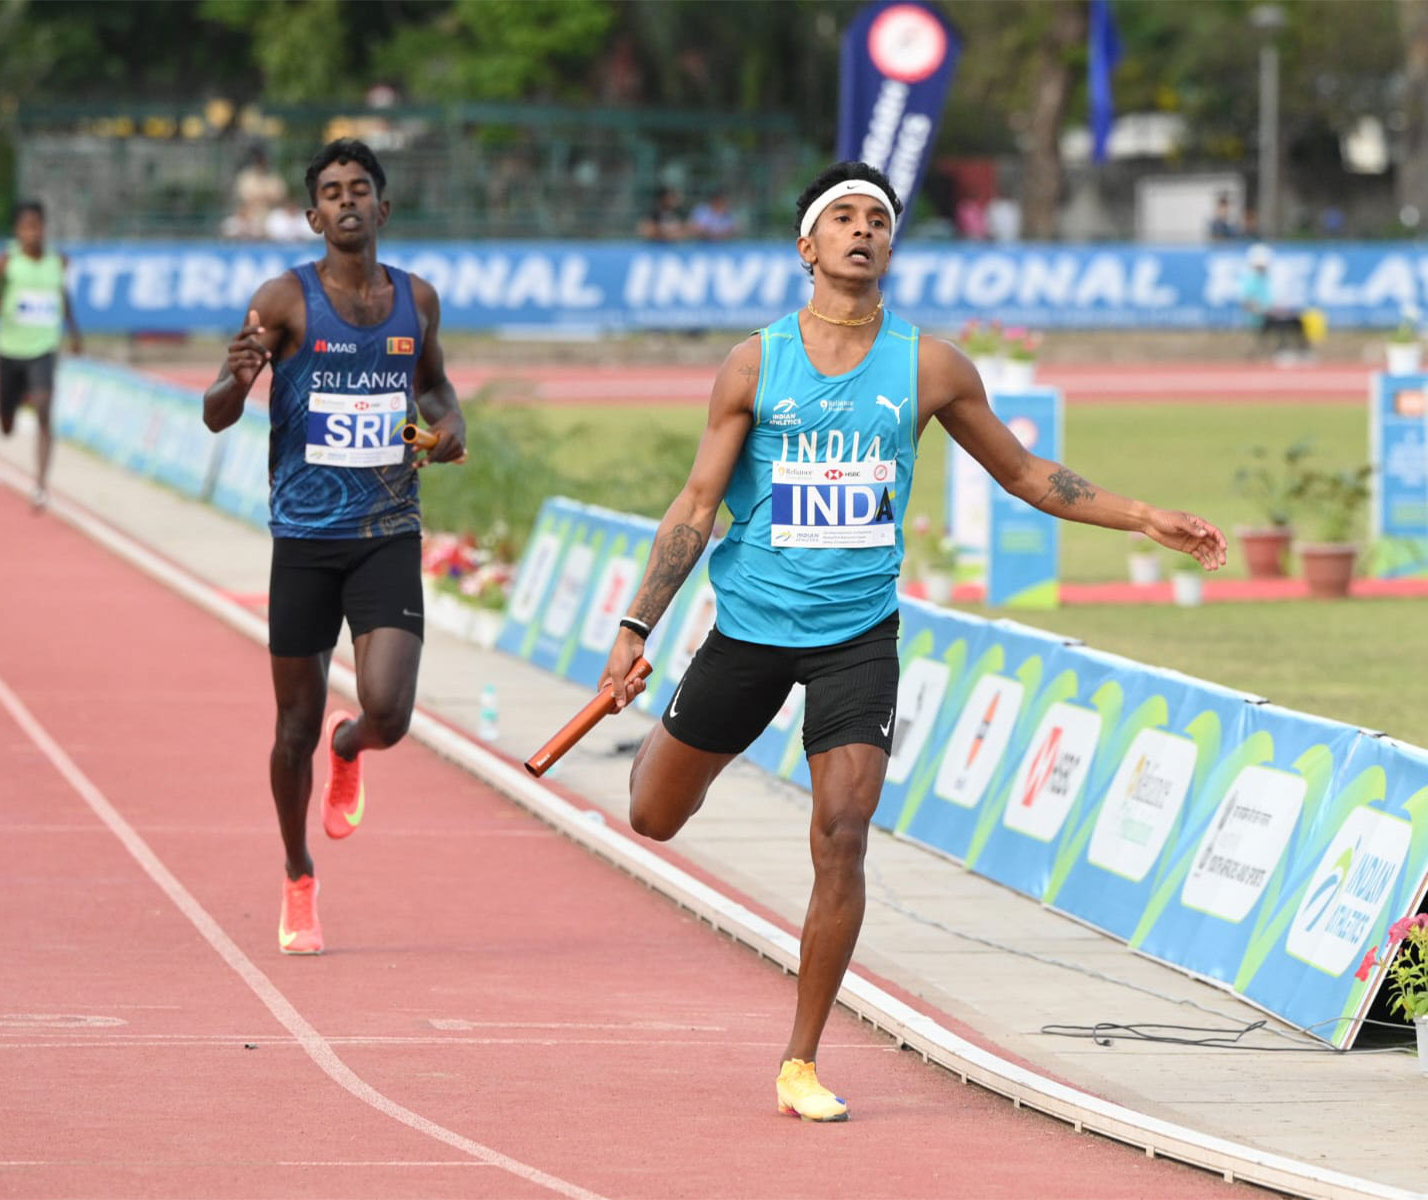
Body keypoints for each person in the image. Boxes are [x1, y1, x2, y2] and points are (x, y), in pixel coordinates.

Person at [599, 160, 1227, 1123]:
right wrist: (637, 626)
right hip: (753, 630)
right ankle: (676, 742)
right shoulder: (754, 364)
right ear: (806, 247)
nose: (863, 231)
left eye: (879, 220)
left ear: (892, 245)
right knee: (653, 816)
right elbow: (694, 504)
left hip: (859, 636)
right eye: (842, 218)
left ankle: (800, 1062)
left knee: (843, 835)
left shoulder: (931, 367)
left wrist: (1142, 515)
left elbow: (1022, 472)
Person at [202, 139, 467, 956]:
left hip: (387, 530)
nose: (347, 201)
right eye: (331, 192)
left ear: (382, 210)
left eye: (360, 189)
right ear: (313, 216)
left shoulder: (415, 300)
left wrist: (451, 428)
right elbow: (216, 413)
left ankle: (352, 749)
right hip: (306, 539)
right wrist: (234, 378)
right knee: (292, 728)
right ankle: (297, 874)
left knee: (387, 711)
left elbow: (435, 387)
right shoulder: (282, 300)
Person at [0, 200, 82, 511]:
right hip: (10, 350)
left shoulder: (57, 262)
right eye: (26, 227)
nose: (32, 233)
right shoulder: (6, 261)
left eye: (37, 226)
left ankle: (40, 484)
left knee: (44, 409)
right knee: (6, 424)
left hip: (43, 348)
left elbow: (62, 295)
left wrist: (74, 331)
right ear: (17, 231)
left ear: (44, 228)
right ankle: (13, 403)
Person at [1238, 243, 1310, 361]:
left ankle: (1304, 350)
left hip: (1271, 313)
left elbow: (1274, 299)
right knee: (1280, 322)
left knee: (1296, 320)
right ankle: (1282, 350)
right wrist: (1263, 310)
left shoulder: (1268, 278)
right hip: (1258, 319)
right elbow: (1246, 302)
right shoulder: (1248, 280)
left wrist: (1279, 308)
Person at [233, 146, 289, 241]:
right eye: (258, 161)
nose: (261, 164)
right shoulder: (246, 178)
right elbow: (243, 200)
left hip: (271, 216)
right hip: (250, 217)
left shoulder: (274, 178)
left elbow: (281, 198)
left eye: (262, 161)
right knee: (233, 227)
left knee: (280, 225)